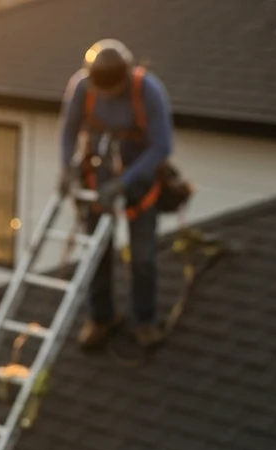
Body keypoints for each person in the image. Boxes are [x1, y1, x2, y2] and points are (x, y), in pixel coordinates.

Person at [59, 39, 175, 350]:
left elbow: (162, 146)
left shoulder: (146, 91)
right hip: (97, 178)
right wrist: (66, 168)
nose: (104, 96)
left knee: (142, 256)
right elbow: (68, 131)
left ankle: (145, 320)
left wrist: (125, 182)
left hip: (139, 181)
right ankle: (101, 317)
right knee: (96, 254)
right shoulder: (83, 87)